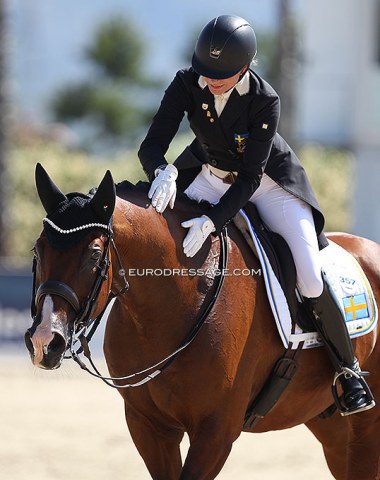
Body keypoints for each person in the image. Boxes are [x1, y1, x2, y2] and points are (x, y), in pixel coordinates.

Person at [138, 14, 375, 415]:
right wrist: (162, 173)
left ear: (245, 66)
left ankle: (347, 371)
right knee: (157, 231)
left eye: (223, 75)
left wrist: (213, 220)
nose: (211, 81)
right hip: (209, 176)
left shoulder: (265, 100)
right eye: (206, 72)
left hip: (268, 185)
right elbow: (152, 143)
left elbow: (249, 178)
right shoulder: (186, 83)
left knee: (309, 276)